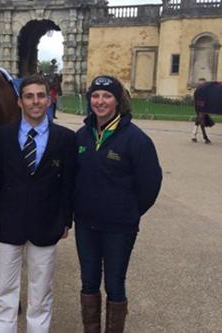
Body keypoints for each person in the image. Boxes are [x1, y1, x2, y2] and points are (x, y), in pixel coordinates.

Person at [0, 74, 77, 333]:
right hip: (9, 222)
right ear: (20, 102)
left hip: (46, 224)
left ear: (49, 100)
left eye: (41, 96)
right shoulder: (3, 136)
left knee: (40, 295)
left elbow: (69, 184)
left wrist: (65, 220)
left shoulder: (65, 138)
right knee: (5, 291)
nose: (35, 101)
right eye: (29, 96)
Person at [74, 75, 162, 333]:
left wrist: (129, 212)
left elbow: (150, 184)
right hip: (86, 225)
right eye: (96, 95)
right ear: (90, 99)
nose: (100, 101)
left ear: (117, 101)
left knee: (114, 283)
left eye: (107, 96)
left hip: (118, 228)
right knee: (88, 281)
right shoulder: (81, 136)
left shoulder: (136, 140)